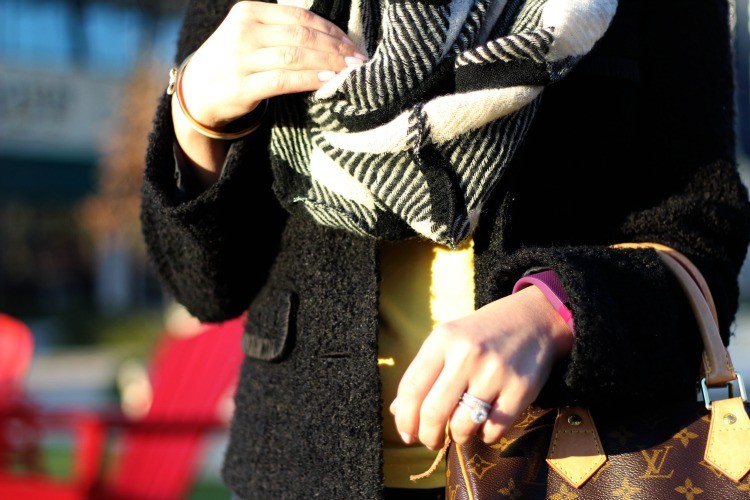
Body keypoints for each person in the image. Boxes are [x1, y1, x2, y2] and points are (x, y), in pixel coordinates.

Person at [139, 0, 750, 498]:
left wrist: (558, 312)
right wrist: (195, 116)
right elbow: (204, 289)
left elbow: (702, 234)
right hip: (304, 468)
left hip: (574, 466)